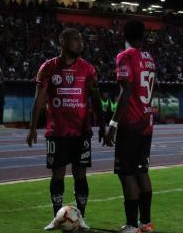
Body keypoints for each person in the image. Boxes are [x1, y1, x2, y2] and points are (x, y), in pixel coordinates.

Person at [26, 27, 105, 231]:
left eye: (81, 39)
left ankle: (81, 218)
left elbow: (96, 99)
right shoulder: (48, 68)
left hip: (81, 132)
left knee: (81, 176)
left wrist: (103, 126)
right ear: (63, 42)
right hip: (57, 133)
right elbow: (39, 99)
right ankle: (57, 217)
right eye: (76, 39)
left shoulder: (88, 69)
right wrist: (32, 127)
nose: (81, 43)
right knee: (57, 176)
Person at [105, 19, 156, 233]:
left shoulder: (125, 56)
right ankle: (146, 223)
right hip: (147, 123)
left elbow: (125, 92)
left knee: (127, 174)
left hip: (131, 124)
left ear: (124, 34)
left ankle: (132, 225)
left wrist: (113, 123)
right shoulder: (149, 58)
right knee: (142, 172)